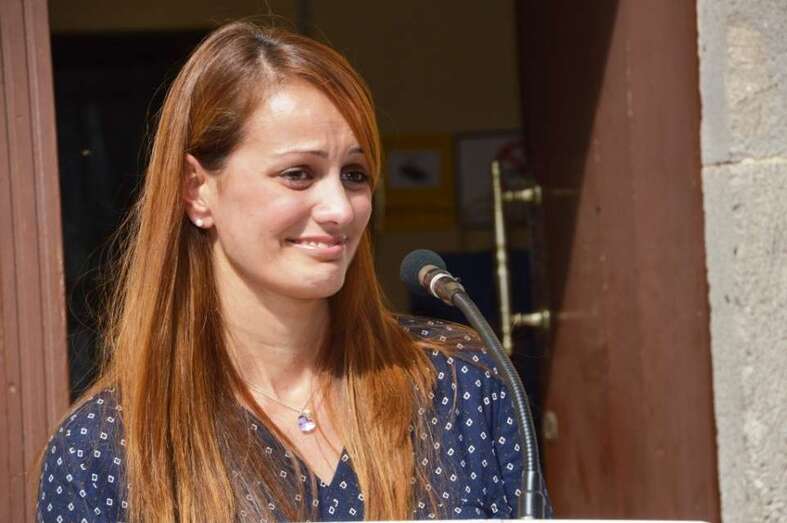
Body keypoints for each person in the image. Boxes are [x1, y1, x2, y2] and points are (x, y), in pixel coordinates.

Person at [36, 21, 531, 522]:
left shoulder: (460, 385)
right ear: (196, 190)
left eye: (355, 175)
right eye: (298, 174)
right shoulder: (103, 450)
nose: (340, 208)